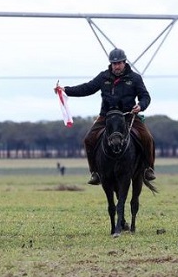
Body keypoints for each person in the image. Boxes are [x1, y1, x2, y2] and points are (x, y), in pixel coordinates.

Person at [55, 48, 156, 185]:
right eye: (114, 64)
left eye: (119, 63)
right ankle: (95, 172)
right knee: (88, 139)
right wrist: (66, 90)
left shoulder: (135, 78)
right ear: (111, 64)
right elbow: (87, 88)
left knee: (147, 138)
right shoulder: (103, 77)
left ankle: (148, 169)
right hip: (106, 117)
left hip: (128, 116)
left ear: (125, 63)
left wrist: (140, 106)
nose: (117, 66)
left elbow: (145, 96)